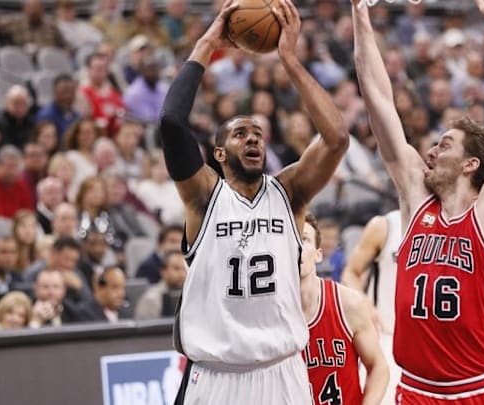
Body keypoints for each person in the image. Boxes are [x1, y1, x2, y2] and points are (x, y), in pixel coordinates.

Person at [160, 1, 348, 404]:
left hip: (282, 372)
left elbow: (336, 139)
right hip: (217, 377)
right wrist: (210, 41)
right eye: (240, 133)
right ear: (220, 154)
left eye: (258, 134)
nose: (253, 139)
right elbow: (172, 123)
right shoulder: (204, 197)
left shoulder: (289, 192)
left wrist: (290, 61)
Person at [352, 0, 484, 402]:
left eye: (443, 146)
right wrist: (359, 12)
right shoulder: (417, 202)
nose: (430, 153)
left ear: (471, 164)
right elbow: (378, 99)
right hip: (415, 390)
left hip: (480, 390)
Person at [301, 214, 388, 404]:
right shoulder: (267, 312)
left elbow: (379, 368)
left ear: (318, 254)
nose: (296, 246)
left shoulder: (348, 303)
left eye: (304, 239)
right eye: (290, 238)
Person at [341, 210, 401, 405]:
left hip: (433, 345)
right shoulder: (385, 225)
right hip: (388, 336)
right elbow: (351, 272)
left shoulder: (454, 222)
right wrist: (364, 303)